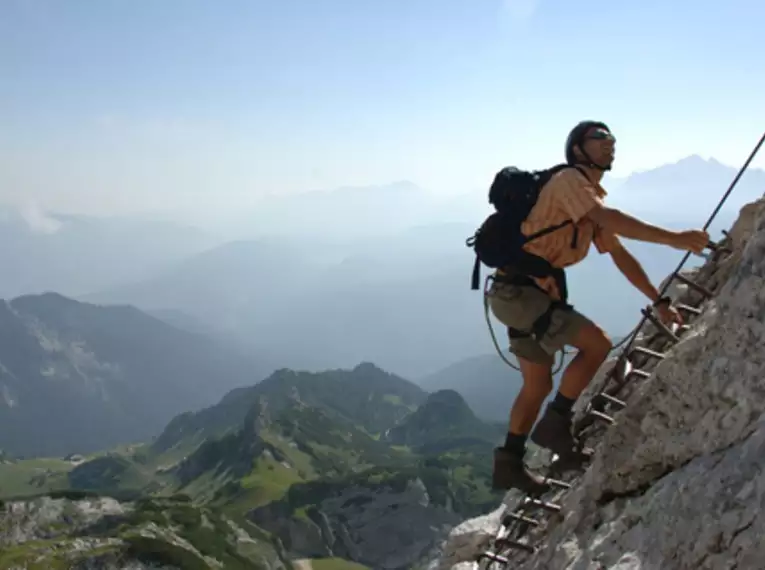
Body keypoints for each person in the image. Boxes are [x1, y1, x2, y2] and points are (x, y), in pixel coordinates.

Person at [487, 120, 710, 493]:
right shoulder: (570, 183)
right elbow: (609, 220)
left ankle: (509, 461)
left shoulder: (587, 201)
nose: (610, 144)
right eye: (600, 138)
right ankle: (556, 426)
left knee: (536, 384)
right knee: (598, 344)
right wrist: (676, 239)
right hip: (522, 296)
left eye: (612, 138)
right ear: (578, 149)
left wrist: (659, 301)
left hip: (516, 296)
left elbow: (620, 255)